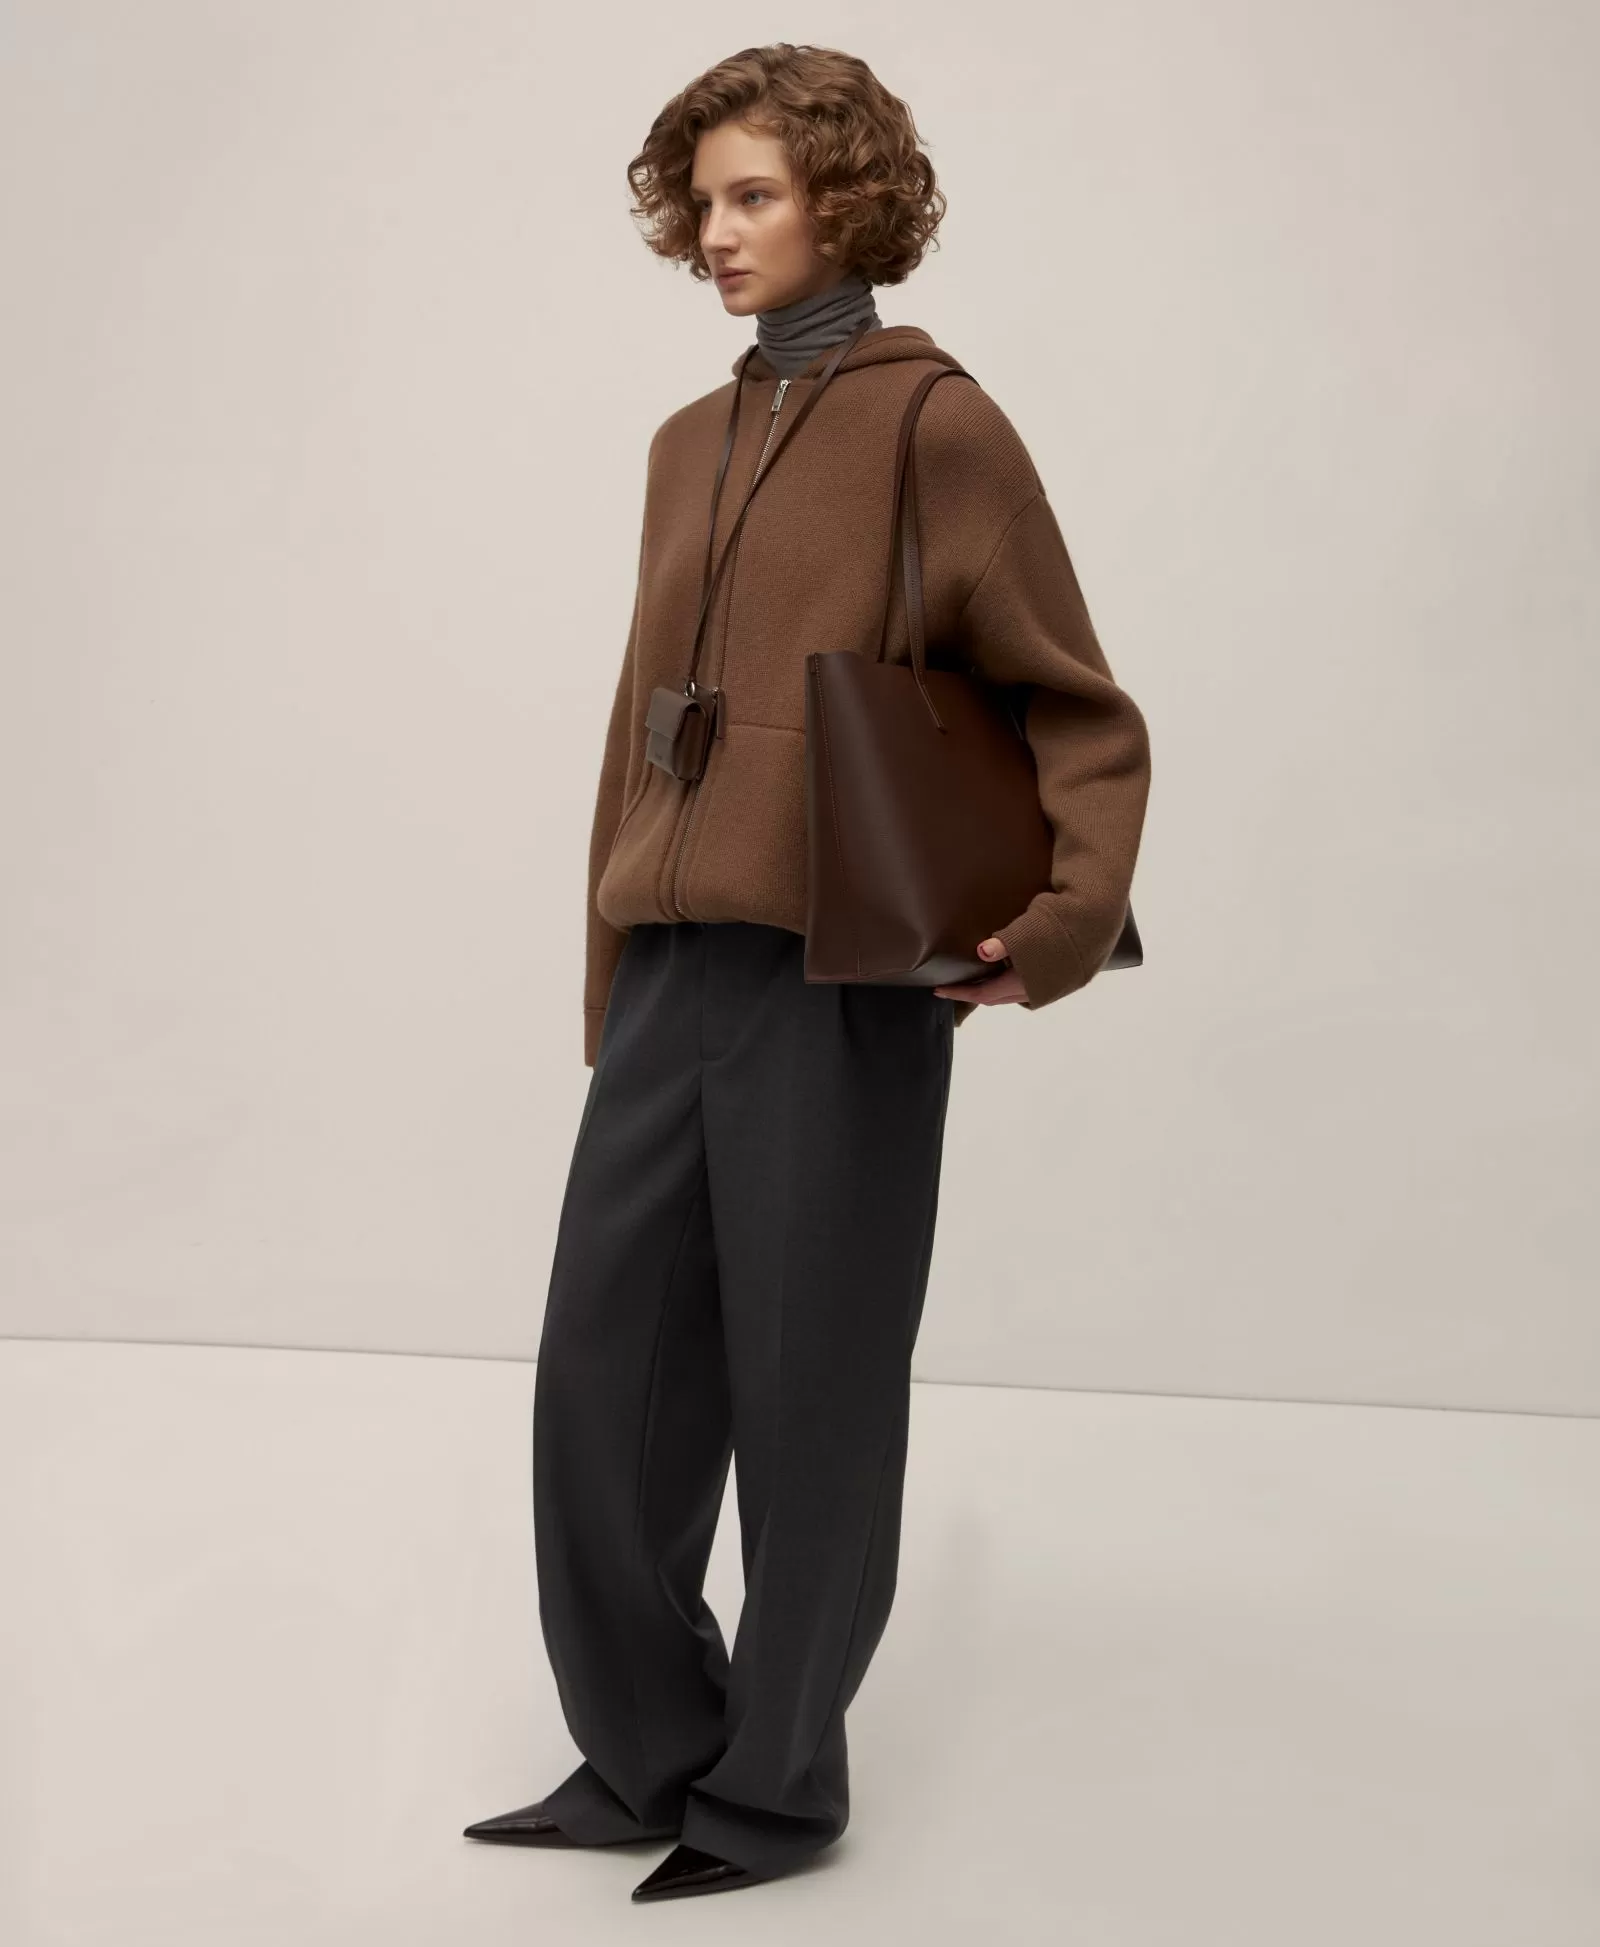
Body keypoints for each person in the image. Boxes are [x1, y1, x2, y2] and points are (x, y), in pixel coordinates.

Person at [464, 42, 1151, 1903]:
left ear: (846, 199)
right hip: (675, 963)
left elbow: (1073, 698)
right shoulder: (684, 443)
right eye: (699, 202)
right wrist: (609, 958)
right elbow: (637, 721)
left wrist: (1060, 924)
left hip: (842, 979)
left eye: (753, 195)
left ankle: (774, 1789)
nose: (716, 233)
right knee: (602, 1384)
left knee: (811, 1392)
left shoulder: (940, 424)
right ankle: (643, 1748)